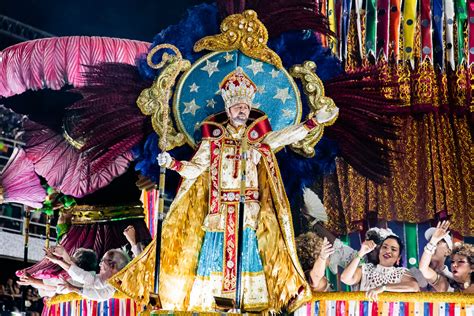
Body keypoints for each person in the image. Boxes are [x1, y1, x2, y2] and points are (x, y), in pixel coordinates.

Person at [109, 67, 338, 313]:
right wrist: (172, 164)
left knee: (247, 254)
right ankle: (214, 306)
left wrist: (314, 121)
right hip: (219, 211)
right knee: (216, 256)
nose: (242, 110)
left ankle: (248, 305)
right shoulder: (214, 142)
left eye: (245, 106)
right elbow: (195, 169)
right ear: (228, 110)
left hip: (248, 210)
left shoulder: (259, 140)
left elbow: (286, 136)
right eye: (237, 106)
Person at [341, 235, 420, 300]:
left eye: (393, 249)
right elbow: (345, 278)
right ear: (379, 252)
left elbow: (414, 287)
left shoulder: (401, 272)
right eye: (385, 247)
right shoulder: (366, 269)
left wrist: (383, 287)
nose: (388, 251)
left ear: (398, 258)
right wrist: (361, 253)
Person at [45, 247, 130, 301]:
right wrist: (61, 257)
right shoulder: (98, 279)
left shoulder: (109, 290)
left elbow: (82, 277)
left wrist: (74, 288)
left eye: (103, 261)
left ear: (112, 265)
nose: (100, 265)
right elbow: (81, 275)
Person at [17, 246, 98, 298]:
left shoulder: (84, 278)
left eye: (73, 256)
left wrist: (33, 280)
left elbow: (56, 287)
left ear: (79, 262)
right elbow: (71, 266)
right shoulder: (81, 272)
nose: (70, 256)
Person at [419, 221, 473, 293]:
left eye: (439, 241)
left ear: (448, 251)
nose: (434, 245)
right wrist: (433, 242)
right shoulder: (414, 271)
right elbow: (423, 269)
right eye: (430, 241)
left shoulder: (450, 279)